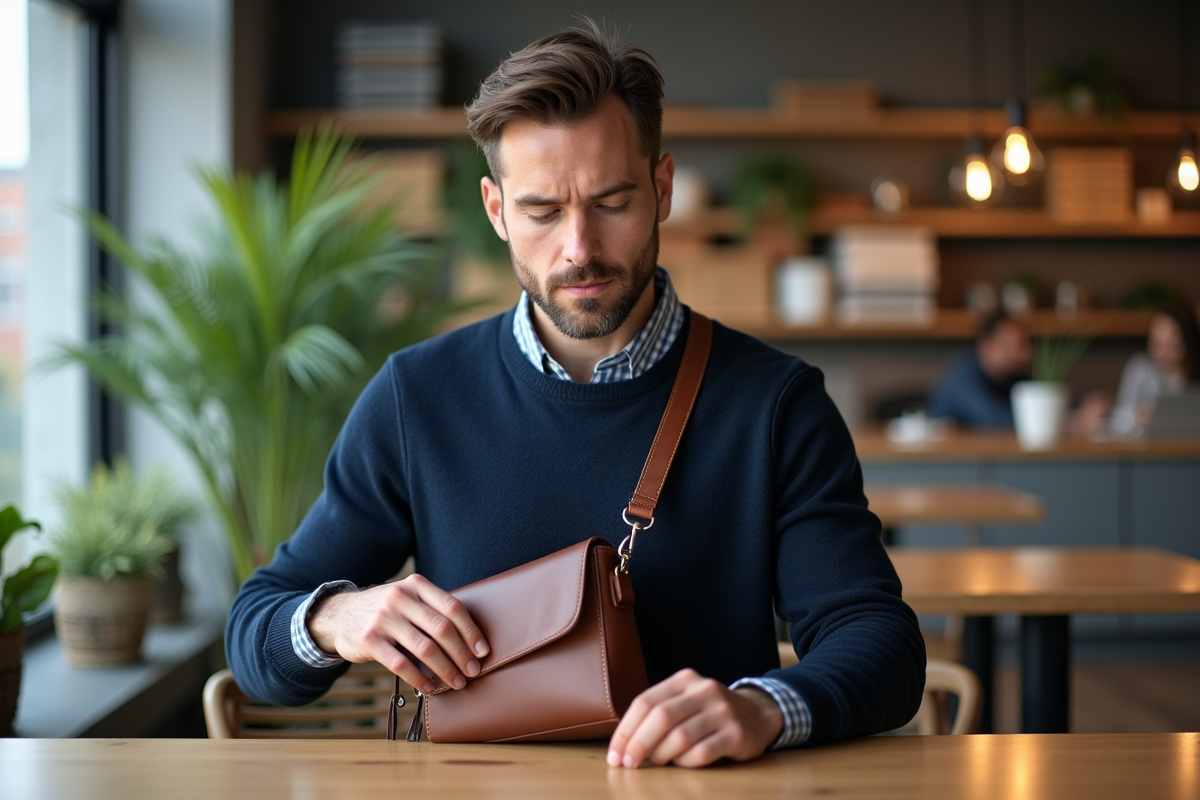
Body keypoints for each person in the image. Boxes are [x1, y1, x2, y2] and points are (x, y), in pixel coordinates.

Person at [225, 21, 924, 768]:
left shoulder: (777, 404)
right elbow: (254, 632)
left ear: (662, 188)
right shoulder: (415, 396)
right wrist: (336, 615)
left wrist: (760, 707)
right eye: (542, 211)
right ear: (496, 211)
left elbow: (879, 644)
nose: (579, 248)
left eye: (612, 201)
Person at [927, 311, 1032, 428]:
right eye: (1017, 346)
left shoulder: (1012, 377)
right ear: (988, 346)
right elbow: (994, 421)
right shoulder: (964, 376)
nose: (1026, 354)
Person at [1110, 304, 1200, 435]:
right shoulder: (1139, 368)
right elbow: (1117, 418)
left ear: (1188, 344)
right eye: (1157, 343)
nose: (1161, 353)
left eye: (1171, 345)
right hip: (1148, 451)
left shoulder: (1193, 373)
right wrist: (1137, 416)